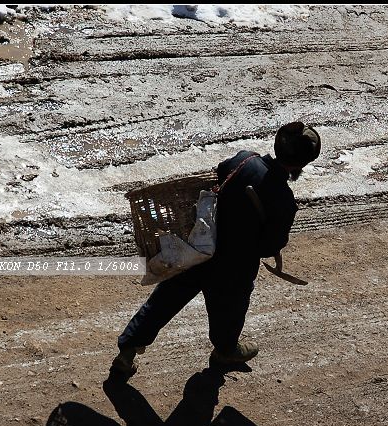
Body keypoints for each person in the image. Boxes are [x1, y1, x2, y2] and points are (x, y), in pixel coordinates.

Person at [110, 122, 321, 381]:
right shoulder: (284, 201)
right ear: (303, 164)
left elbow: (220, 173)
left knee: (165, 300)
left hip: (197, 246)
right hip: (233, 267)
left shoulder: (245, 159)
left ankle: (127, 351)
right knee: (229, 312)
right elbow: (269, 246)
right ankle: (225, 351)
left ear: (277, 144)